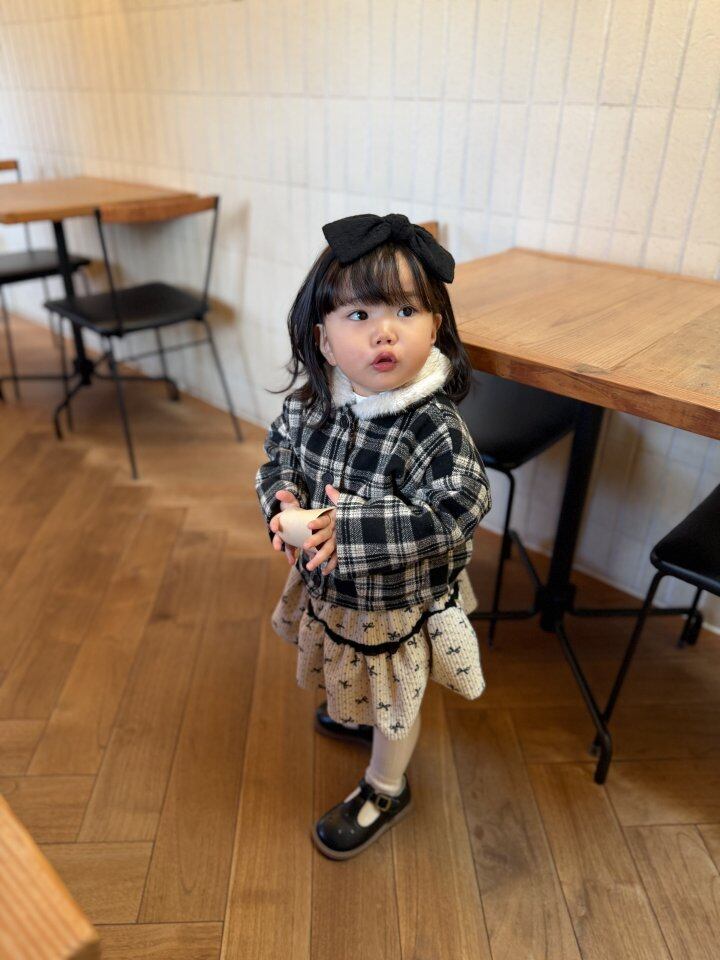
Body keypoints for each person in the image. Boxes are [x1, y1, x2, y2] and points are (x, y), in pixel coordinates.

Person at [255, 212, 491, 860]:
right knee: (359, 677)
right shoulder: (311, 404)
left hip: (395, 606)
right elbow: (278, 457)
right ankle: (361, 713)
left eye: (406, 311)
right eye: (359, 314)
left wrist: (350, 528)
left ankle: (387, 787)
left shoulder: (431, 425)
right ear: (325, 341)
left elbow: (462, 502)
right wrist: (280, 497)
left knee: (395, 697)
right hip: (335, 594)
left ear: (435, 326)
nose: (385, 331)